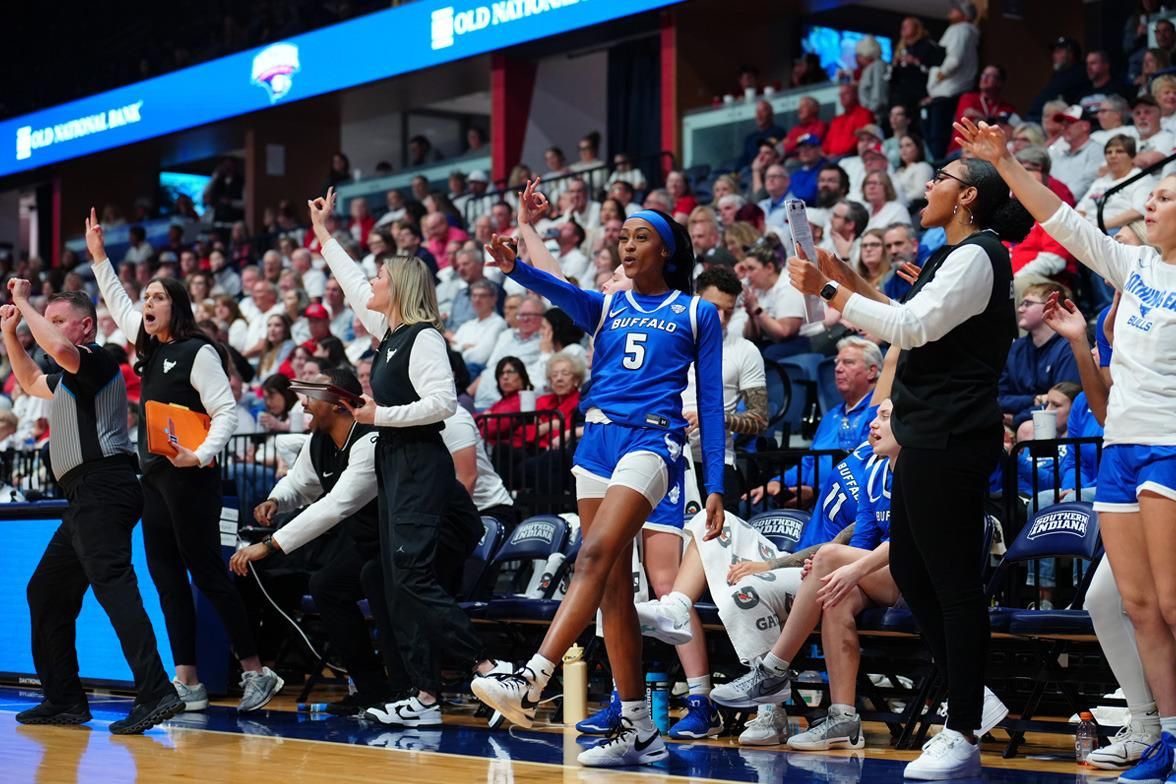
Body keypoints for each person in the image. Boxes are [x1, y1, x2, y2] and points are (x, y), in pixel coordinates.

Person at [787, 144, 1033, 779]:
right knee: (915, 576)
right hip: (927, 435)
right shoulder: (950, 258)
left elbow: (915, 328)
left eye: (943, 179)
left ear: (969, 195)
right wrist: (847, 281)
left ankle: (961, 726)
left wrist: (832, 291)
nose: (930, 186)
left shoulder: (979, 255)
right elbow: (902, 322)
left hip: (952, 435)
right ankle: (971, 699)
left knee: (951, 584)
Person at [470, 178, 726, 769]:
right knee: (612, 587)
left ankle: (531, 677)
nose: (627, 246)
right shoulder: (607, 303)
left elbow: (709, 401)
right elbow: (553, 287)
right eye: (623, 238)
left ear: (666, 251)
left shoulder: (697, 312)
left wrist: (715, 483)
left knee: (591, 556)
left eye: (641, 238)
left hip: (652, 441)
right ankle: (638, 726)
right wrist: (516, 260)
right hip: (597, 442)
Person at [956, 116, 1176, 784]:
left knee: (1170, 602)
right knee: (1135, 605)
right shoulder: (1134, 264)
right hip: (1120, 448)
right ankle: (1167, 733)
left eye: (1163, 198)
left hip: (1170, 448)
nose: (1147, 204)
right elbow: (1064, 222)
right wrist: (1008, 166)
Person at [309, 187, 505, 727]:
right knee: (396, 579)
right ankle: (423, 698)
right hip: (397, 461)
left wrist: (378, 417)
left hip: (420, 461)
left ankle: (489, 666)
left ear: (398, 288)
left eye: (379, 277)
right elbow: (351, 286)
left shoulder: (423, 339)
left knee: (412, 575)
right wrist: (326, 235)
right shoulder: (388, 334)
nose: (369, 283)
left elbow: (442, 404)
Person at [86, 208, 282, 714]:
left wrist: (200, 456)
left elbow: (226, 412)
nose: (146, 304)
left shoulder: (199, 351)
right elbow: (118, 301)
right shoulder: (150, 347)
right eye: (146, 296)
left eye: (157, 297)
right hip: (152, 478)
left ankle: (257, 672)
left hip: (190, 479)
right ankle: (187, 680)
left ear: (177, 307)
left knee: (208, 574)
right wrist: (100, 257)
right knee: (167, 579)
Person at [1, 286, 183, 735]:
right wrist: (10, 335)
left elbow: (59, 347)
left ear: (86, 325)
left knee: (115, 588)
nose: (52, 328)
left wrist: (24, 306)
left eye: (59, 319)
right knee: (45, 591)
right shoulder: (69, 377)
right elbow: (28, 382)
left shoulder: (98, 358)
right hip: (84, 496)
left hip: (104, 485)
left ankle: (157, 690)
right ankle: (64, 698)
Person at [229, 367, 391, 715]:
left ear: (338, 403)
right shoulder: (319, 440)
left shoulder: (370, 439)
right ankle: (371, 686)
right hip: (366, 540)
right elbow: (300, 483)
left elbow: (336, 505)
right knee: (326, 585)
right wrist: (276, 499)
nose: (301, 405)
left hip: (400, 540)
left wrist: (271, 544)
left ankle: (409, 688)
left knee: (372, 579)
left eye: (310, 396)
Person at [998, 281, 1081, 428]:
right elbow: (1000, 398)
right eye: (1021, 303)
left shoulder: (1067, 349)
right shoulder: (1016, 348)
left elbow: (1062, 405)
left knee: (1027, 429)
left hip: (1057, 428)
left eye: (1027, 303)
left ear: (1051, 306)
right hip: (1012, 420)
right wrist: (1033, 399)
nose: (1020, 309)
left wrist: (1017, 418)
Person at [925, 0, 980, 159]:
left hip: (948, 89)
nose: (950, 12)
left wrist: (936, 79)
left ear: (964, 14)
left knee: (938, 138)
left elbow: (954, 60)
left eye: (955, 9)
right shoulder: (965, 31)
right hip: (951, 89)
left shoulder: (960, 30)